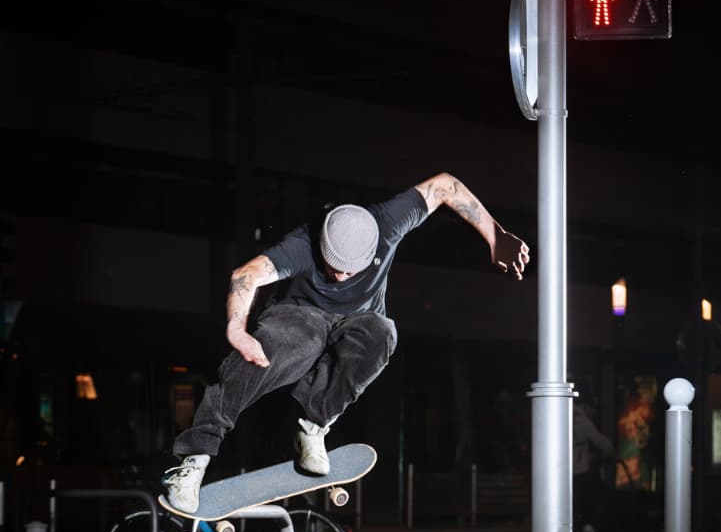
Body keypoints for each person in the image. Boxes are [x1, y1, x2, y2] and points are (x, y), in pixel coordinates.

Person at [162, 172, 531, 512]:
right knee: (267, 352)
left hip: (358, 321)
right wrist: (236, 328)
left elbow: (446, 187)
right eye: (332, 265)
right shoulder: (302, 244)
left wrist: (495, 236)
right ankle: (193, 458)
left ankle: (312, 427)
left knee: (382, 334)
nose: (339, 276)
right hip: (300, 315)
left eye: (349, 269)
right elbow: (246, 275)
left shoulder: (388, 223)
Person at [573, 396, 615, 532]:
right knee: (596, 499)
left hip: (562, 474)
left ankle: (582, 529)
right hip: (579, 472)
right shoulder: (582, 421)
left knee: (575, 508)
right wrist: (611, 451)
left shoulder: (561, 415)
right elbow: (602, 443)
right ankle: (588, 527)